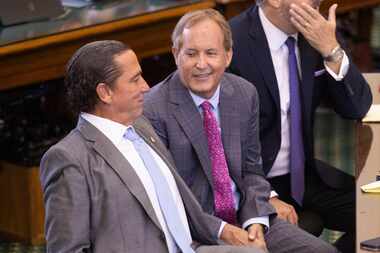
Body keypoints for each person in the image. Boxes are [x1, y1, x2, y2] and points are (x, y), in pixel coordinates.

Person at [39, 40, 269, 253]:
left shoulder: (141, 126)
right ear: (105, 92)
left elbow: (180, 203)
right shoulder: (69, 158)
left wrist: (224, 231)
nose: (146, 87)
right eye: (135, 79)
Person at [144, 9, 338, 253]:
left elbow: (252, 171)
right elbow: (168, 199)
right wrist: (225, 231)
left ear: (228, 56)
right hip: (197, 232)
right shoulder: (153, 109)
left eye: (211, 53)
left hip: (247, 218)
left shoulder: (244, 93)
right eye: (191, 54)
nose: (201, 64)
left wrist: (255, 220)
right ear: (175, 55)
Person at [228, 1, 373, 252]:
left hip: (305, 176)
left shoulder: (314, 30)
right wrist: (265, 196)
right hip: (250, 183)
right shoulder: (232, 42)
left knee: (376, 213)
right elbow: (219, 139)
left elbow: (357, 107)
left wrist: (331, 49)